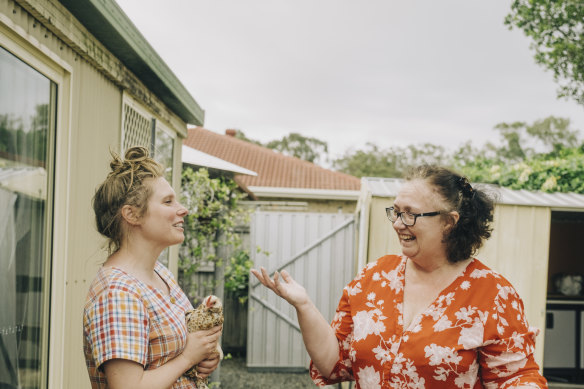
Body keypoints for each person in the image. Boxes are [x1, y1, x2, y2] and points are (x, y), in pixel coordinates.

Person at [252, 164, 548, 388]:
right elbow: (333, 364)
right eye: (394, 212)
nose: (397, 223)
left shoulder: (493, 293)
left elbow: (518, 378)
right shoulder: (373, 277)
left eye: (410, 214)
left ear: (449, 222)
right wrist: (303, 306)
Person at [83, 146, 222, 389]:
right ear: (132, 215)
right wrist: (188, 357)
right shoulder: (118, 293)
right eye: (168, 201)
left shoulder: (160, 273)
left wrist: (208, 349)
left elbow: (179, 345)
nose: (183, 209)